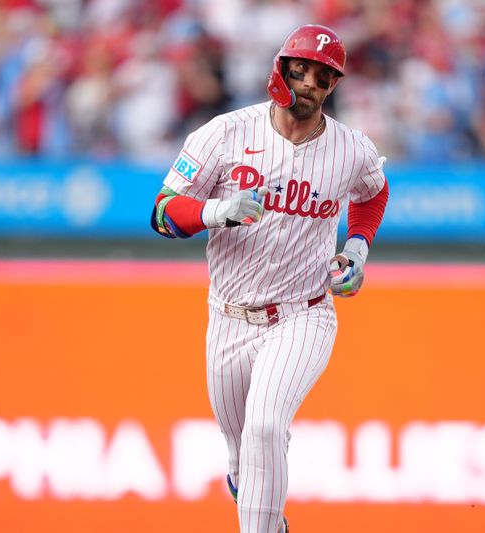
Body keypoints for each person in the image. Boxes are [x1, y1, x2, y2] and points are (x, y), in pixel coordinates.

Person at [150, 23, 389, 533]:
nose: (309, 82)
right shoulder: (224, 133)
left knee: (266, 425)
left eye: (323, 77)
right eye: (300, 69)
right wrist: (216, 211)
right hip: (228, 317)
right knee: (242, 459)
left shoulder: (351, 149)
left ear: (333, 86)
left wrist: (356, 248)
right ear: (280, 69)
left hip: (304, 313)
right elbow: (163, 213)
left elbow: (373, 191)